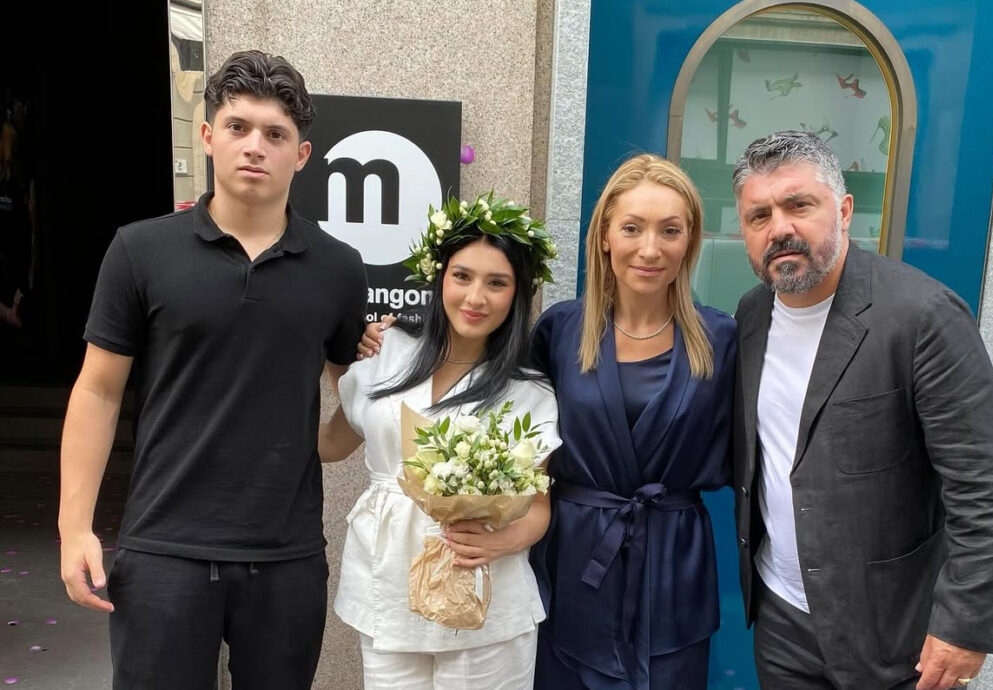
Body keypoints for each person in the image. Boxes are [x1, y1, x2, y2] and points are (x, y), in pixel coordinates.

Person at [58, 50, 367, 689]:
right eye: (238, 127)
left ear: (301, 155)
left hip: (285, 557)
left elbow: (353, 404)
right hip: (163, 549)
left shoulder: (339, 268)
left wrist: (370, 397)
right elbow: (98, 391)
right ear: (207, 136)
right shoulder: (140, 250)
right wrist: (73, 527)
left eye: (275, 134)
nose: (255, 146)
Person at [730, 131, 993, 690]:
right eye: (758, 215)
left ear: (843, 211)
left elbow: (985, 486)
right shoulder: (752, 314)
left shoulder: (923, 316)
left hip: (894, 631)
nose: (779, 228)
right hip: (782, 620)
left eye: (799, 205)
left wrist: (964, 625)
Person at [320, 194, 562, 689]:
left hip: (484, 592)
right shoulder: (387, 352)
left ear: (517, 294)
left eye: (497, 283)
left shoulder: (530, 391)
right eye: (462, 276)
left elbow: (538, 506)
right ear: (440, 277)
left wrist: (501, 541)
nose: (476, 297)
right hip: (389, 584)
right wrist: (324, 349)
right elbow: (331, 445)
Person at [529, 154, 736, 689]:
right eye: (632, 228)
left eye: (670, 230)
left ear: (689, 241)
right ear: (604, 236)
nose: (650, 249)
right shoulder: (560, 330)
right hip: (576, 563)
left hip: (673, 566)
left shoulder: (721, 339)